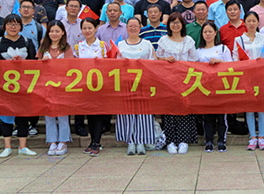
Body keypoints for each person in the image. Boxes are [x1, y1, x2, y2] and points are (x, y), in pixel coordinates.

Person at [0, 14, 37, 157]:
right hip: (4, 86)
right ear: (4, 26)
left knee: (23, 115)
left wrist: (21, 63)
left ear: (21, 27)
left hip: (23, 86)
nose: (13, 27)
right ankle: (7, 146)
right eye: (10, 24)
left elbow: (34, 64)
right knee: (6, 115)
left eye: (16, 24)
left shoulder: (27, 42)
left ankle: (23, 146)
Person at [156, 13, 199, 154]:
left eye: (178, 22)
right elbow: (157, 59)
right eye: (172, 22)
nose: (175, 25)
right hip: (167, 81)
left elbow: (194, 60)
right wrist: (166, 59)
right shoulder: (163, 40)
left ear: (182, 24)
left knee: (184, 110)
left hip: (185, 81)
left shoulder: (189, 41)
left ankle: (183, 140)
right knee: (169, 110)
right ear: (169, 25)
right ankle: (170, 141)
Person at [115, 17, 157, 156]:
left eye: (135, 26)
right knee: (127, 112)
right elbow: (115, 63)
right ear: (126, 28)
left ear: (140, 28)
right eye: (130, 26)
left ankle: (141, 141)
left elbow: (153, 61)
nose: (133, 28)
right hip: (125, 83)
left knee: (143, 112)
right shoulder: (120, 44)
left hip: (143, 82)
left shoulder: (147, 44)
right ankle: (130, 141)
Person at [233, 12, 264, 151]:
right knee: (249, 108)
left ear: (258, 22)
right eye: (249, 21)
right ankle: (252, 137)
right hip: (247, 77)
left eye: (254, 21)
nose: (251, 23)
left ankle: (262, 137)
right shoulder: (239, 40)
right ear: (245, 23)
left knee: (262, 107)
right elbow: (235, 59)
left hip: (262, 77)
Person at [75, 18, 111, 156]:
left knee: (98, 113)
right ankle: (93, 141)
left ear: (96, 29)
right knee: (89, 113)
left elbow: (110, 63)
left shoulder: (102, 45)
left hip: (100, 84)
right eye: (84, 28)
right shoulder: (78, 47)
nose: (87, 31)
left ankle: (96, 141)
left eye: (90, 28)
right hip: (85, 85)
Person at [38, 20, 73, 156]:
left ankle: (63, 141)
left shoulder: (67, 47)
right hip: (47, 86)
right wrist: (42, 62)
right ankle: (52, 141)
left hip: (62, 86)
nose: (54, 34)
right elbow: (36, 66)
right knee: (49, 114)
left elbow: (71, 66)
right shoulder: (43, 47)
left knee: (63, 114)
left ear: (62, 32)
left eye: (57, 31)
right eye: (52, 31)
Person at [197, 22, 232, 153]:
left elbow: (231, 66)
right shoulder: (198, 51)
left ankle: (222, 141)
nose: (208, 34)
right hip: (205, 88)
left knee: (221, 116)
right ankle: (209, 141)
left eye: (210, 31)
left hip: (221, 86)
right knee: (207, 116)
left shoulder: (223, 48)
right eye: (205, 32)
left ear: (215, 33)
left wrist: (219, 62)